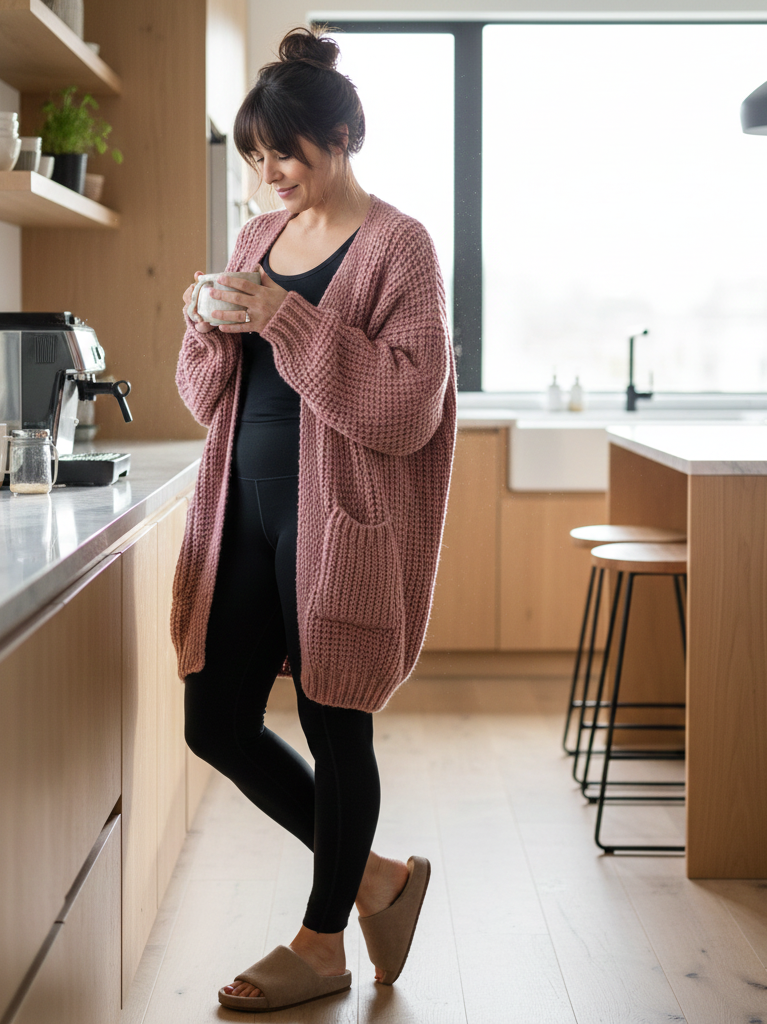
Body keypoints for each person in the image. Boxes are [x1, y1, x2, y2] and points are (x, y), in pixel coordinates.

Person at [171, 24, 457, 1014]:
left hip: (341, 520)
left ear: (341, 136)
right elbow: (203, 396)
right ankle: (380, 879)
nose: (268, 171)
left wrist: (285, 318)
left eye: (283, 151)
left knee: (335, 722)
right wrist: (206, 326)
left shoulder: (400, 246)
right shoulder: (258, 240)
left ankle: (324, 939)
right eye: (255, 156)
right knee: (215, 722)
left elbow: (403, 407)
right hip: (240, 509)